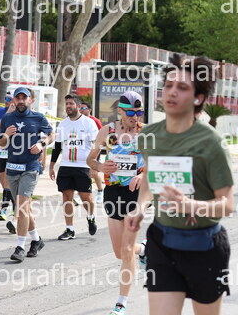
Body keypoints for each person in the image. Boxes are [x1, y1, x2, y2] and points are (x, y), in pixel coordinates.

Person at [125, 55, 234, 314]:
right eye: (169, 85)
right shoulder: (149, 136)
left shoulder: (211, 143)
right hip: (163, 243)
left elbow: (227, 205)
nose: (172, 92)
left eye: (182, 87)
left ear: (198, 98)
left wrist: (190, 205)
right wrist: (140, 207)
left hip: (205, 247)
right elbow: (150, 176)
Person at [87, 91, 146, 315]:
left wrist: (143, 175)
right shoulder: (107, 131)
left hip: (137, 193)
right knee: (119, 253)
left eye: (139, 112)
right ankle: (145, 249)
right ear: (120, 111)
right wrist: (100, 167)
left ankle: (121, 303)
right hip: (113, 191)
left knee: (127, 249)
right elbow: (91, 159)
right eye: (130, 112)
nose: (135, 117)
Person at [0, 87, 54, 262]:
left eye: (24, 98)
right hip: (12, 168)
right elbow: (1, 144)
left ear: (31, 100)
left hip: (30, 168)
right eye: (18, 98)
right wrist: (6, 135)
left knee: (22, 207)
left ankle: (20, 247)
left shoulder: (38, 118)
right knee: (25, 208)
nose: (21, 101)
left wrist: (42, 144)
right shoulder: (7, 118)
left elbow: (51, 134)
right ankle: (36, 240)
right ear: (14, 100)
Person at [49, 94, 99, 240]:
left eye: (71, 103)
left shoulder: (88, 123)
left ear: (78, 106)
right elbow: (57, 146)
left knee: (85, 198)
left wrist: (94, 165)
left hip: (83, 166)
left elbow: (96, 145)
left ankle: (91, 216)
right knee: (66, 197)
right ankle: (69, 229)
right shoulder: (63, 124)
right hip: (66, 165)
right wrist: (51, 166)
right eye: (66, 104)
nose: (68, 106)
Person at [0, 92, 15, 221]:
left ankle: (4, 209)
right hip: (2, 151)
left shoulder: (18, 113)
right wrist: (8, 111)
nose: (6, 100)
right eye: (5, 98)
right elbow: (0, 126)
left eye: (9, 99)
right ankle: (14, 203)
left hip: (14, 151)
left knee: (8, 181)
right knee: (3, 182)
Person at [80, 101, 104, 203]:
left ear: (89, 110)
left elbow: (102, 135)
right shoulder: (80, 121)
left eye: (84, 108)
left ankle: (100, 191)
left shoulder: (95, 121)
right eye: (80, 108)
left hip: (94, 150)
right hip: (83, 150)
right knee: (83, 173)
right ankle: (82, 193)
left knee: (94, 173)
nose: (81, 110)